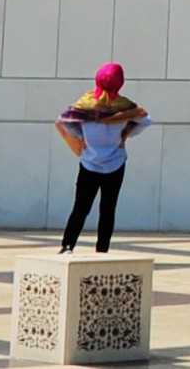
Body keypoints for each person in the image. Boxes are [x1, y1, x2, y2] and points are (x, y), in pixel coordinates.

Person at [57, 62, 148, 252]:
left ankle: (68, 245)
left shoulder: (86, 104)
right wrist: (125, 133)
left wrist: (81, 138)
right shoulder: (124, 106)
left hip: (89, 162)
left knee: (80, 207)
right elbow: (145, 120)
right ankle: (102, 249)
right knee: (107, 209)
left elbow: (65, 122)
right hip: (115, 164)